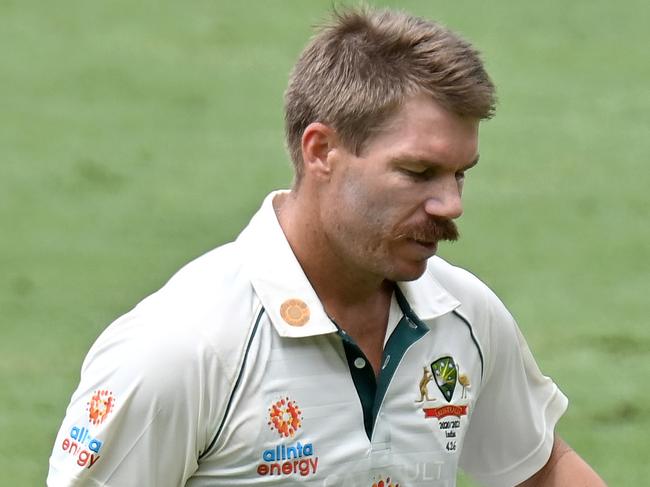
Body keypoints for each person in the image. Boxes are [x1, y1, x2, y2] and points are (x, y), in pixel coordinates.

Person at [48, 7, 607, 487]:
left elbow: (539, 466)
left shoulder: (462, 316)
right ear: (321, 152)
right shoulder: (183, 348)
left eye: (460, 175)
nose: (451, 205)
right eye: (418, 172)